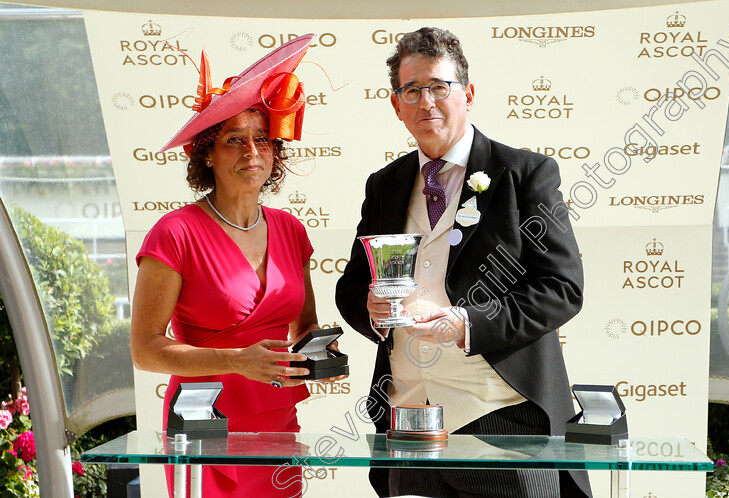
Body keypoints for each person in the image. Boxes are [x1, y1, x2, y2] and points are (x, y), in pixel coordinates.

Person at [335, 27, 591, 497]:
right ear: (396, 105)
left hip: (505, 422)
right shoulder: (384, 184)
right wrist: (370, 308)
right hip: (409, 419)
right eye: (411, 90)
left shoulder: (523, 173)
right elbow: (352, 285)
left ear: (468, 94)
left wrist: (467, 321)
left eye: (439, 86)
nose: (426, 101)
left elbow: (561, 287)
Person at [130, 34, 345, 498]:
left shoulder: (291, 229)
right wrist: (235, 360)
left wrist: (317, 357)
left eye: (262, 139)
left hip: (276, 416)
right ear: (206, 152)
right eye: (234, 140)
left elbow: (302, 327)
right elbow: (145, 350)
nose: (252, 153)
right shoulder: (175, 233)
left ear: (276, 150)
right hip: (203, 417)